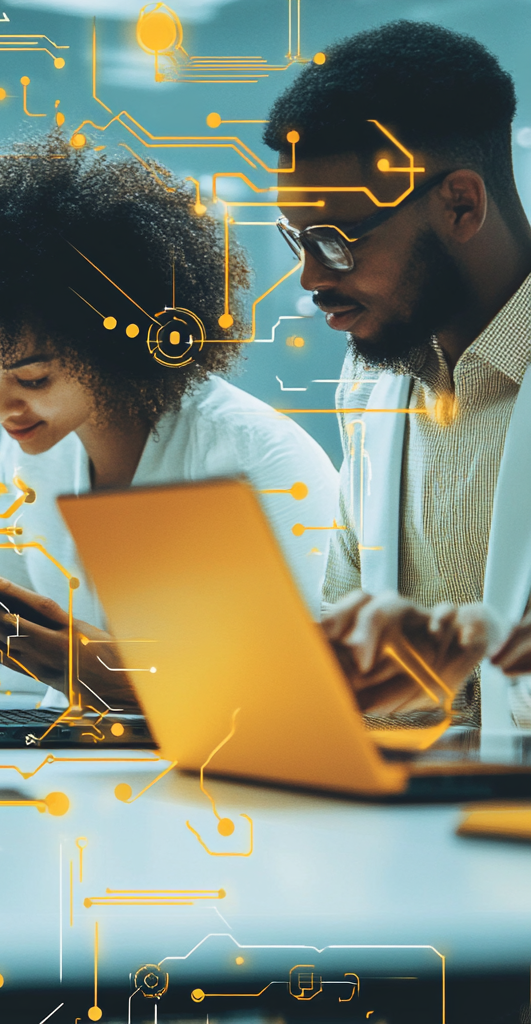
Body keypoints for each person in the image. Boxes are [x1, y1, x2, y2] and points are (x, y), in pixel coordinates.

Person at [0, 137, 339, 705]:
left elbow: (301, 695)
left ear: (116, 350)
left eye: (33, 378)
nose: (0, 406)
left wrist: (114, 672)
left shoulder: (255, 459)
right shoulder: (26, 452)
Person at [266, 21, 531, 730]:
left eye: (336, 241)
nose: (313, 278)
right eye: (296, 239)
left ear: (460, 206)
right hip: (408, 821)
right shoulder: (374, 382)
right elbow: (350, 641)